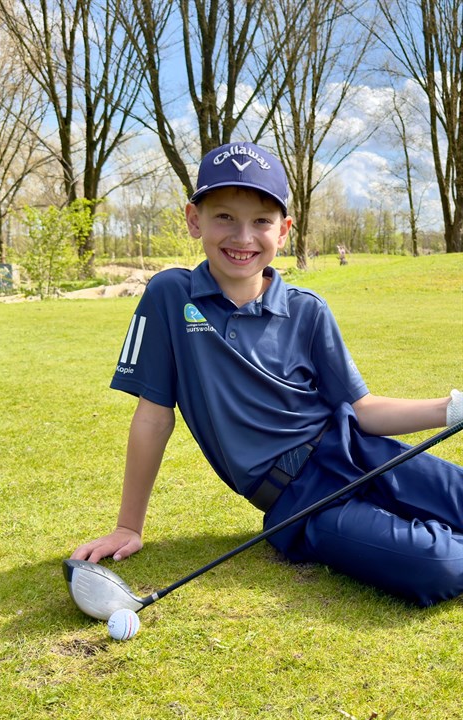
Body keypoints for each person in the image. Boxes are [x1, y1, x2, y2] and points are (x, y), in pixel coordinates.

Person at [71, 142, 463, 607]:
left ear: (284, 230)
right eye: (224, 217)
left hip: (357, 451)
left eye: (261, 221)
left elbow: (363, 409)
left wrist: (452, 407)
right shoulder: (170, 296)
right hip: (297, 500)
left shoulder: (307, 309)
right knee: (440, 564)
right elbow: (154, 416)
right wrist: (128, 526)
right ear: (194, 220)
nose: (243, 237)